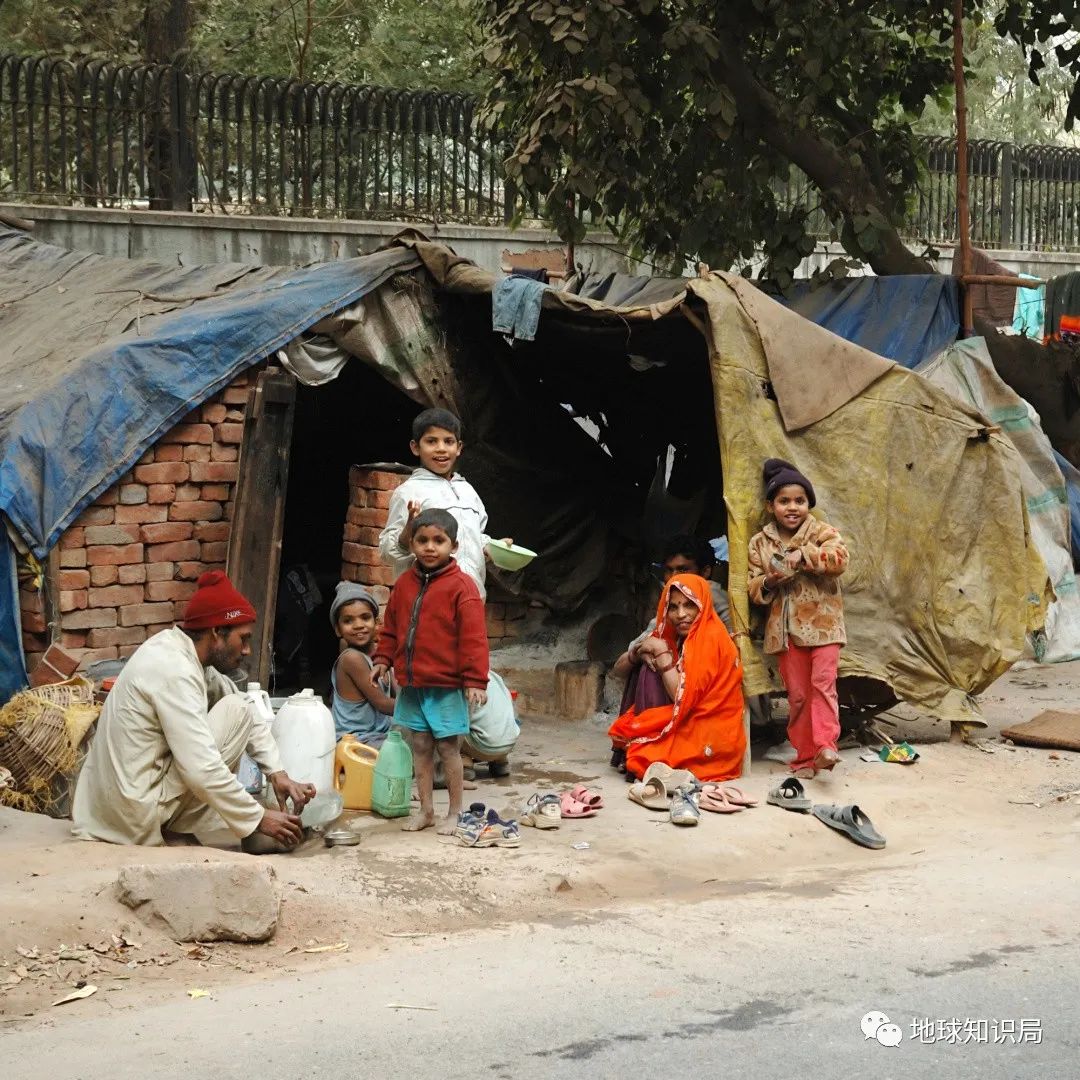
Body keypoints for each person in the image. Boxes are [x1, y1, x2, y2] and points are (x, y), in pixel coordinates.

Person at [72, 571, 315, 849]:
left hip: (121, 804)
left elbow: (245, 707)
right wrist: (258, 818)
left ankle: (173, 825)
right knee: (229, 720)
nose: (247, 650)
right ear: (216, 633)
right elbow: (201, 769)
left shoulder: (183, 653)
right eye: (243, 639)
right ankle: (165, 828)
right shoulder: (174, 670)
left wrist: (277, 773)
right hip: (131, 813)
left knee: (238, 708)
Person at [372, 509, 489, 834]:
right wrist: (382, 659)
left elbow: (474, 638)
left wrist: (475, 680)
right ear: (411, 543)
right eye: (422, 540)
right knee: (420, 745)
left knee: (448, 748)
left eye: (439, 540)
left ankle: (455, 812)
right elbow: (391, 628)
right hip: (412, 684)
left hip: (446, 685)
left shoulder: (462, 587)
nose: (429, 547)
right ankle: (426, 810)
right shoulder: (403, 584)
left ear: (454, 546)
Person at [748, 458, 848, 777]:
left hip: (825, 626)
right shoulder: (759, 542)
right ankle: (805, 757)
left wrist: (803, 555)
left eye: (800, 501)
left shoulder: (821, 532)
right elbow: (752, 586)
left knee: (823, 685)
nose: (792, 507)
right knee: (799, 696)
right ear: (770, 506)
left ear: (809, 504)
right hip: (786, 632)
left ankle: (825, 747)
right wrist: (768, 581)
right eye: (784, 501)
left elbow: (840, 559)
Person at [609, 573, 746, 783]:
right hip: (684, 715)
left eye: (689, 605)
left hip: (708, 728)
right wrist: (637, 653)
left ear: (702, 605)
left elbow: (679, 696)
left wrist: (662, 654)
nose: (681, 614)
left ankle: (649, 744)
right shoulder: (669, 632)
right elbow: (618, 670)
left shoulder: (710, 638)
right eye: (673, 607)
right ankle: (647, 742)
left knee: (652, 668)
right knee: (643, 665)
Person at [379, 407, 509, 600]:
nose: (441, 448)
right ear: (415, 447)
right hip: (429, 600)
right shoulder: (409, 492)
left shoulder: (468, 491)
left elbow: (472, 536)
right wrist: (408, 530)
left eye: (448, 441)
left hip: (471, 598)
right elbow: (387, 552)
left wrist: (491, 547)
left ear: (459, 447)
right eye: (431, 441)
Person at [329, 581, 395, 746]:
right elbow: (383, 704)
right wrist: (427, 708)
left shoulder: (382, 656)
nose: (358, 625)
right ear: (338, 629)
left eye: (365, 618)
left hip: (380, 735)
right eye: (348, 621)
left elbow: (400, 693)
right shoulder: (351, 659)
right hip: (356, 741)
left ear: (377, 622)